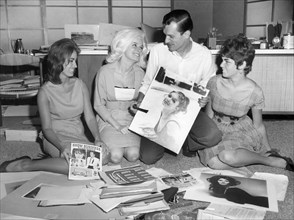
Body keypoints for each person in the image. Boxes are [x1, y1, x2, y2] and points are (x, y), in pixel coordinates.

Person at [0, 38, 109, 174]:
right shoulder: (44, 92)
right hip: (55, 138)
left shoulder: (79, 85)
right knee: (76, 166)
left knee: (104, 157)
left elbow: (90, 118)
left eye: (75, 60)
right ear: (58, 61)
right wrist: (62, 147)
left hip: (77, 136)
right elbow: (47, 128)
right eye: (70, 61)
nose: (75, 66)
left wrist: (98, 139)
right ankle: (27, 164)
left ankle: (49, 162)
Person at [132, 9, 222, 164]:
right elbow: (147, 82)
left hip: (188, 111)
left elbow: (208, 85)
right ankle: (171, 141)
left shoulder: (203, 54)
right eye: (165, 34)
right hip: (159, 109)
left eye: (171, 36)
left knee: (213, 136)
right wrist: (140, 102)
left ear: (186, 34)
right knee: (148, 158)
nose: (166, 40)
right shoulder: (158, 51)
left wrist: (204, 99)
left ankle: (185, 142)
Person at [198, 34, 294, 171]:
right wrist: (202, 136)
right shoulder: (213, 82)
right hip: (216, 127)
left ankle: (268, 160)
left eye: (227, 61)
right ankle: (251, 159)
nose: (220, 64)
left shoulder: (255, 92)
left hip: (239, 130)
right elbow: (209, 114)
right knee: (213, 163)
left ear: (242, 65)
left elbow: (258, 125)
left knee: (227, 157)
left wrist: (268, 149)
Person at [94, 28, 147, 164]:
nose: (139, 50)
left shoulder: (140, 73)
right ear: (123, 45)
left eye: (141, 47)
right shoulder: (105, 72)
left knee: (133, 155)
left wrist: (138, 107)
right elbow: (98, 105)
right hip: (109, 121)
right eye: (134, 45)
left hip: (130, 120)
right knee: (115, 156)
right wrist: (116, 125)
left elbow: (143, 101)